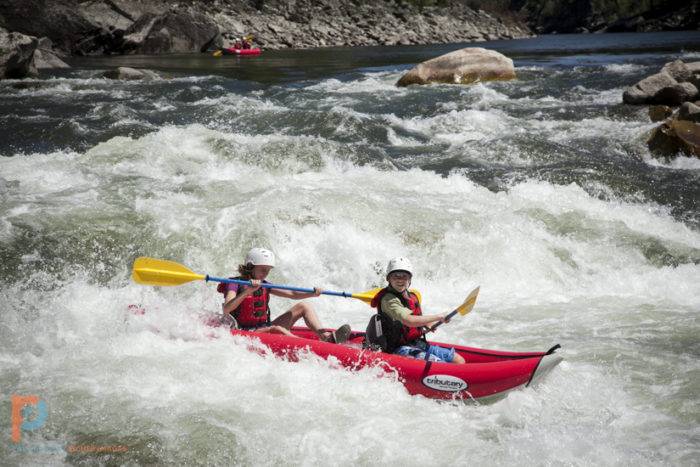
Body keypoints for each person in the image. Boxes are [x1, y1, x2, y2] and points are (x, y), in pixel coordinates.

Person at [218, 247, 351, 343]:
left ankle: (326, 337)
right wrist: (247, 291)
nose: (265, 273)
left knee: (304, 306)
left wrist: (312, 293)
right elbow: (227, 309)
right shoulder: (234, 283)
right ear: (250, 267)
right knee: (277, 329)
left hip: (263, 328)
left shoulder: (264, 284)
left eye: (268, 270)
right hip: (244, 332)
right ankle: (312, 347)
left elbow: (292, 293)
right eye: (262, 269)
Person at [367, 257, 466, 364]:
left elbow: (416, 317)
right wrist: (439, 317)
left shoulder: (411, 296)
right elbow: (409, 320)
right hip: (398, 348)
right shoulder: (389, 300)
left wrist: (428, 323)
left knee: (458, 360)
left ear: (410, 279)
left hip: (417, 343)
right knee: (440, 364)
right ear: (388, 279)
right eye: (395, 276)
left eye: (404, 276)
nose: (400, 280)